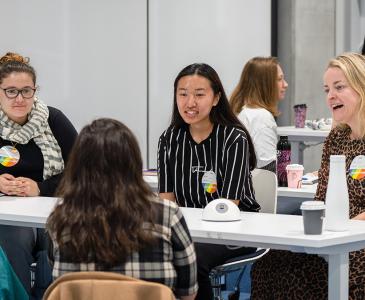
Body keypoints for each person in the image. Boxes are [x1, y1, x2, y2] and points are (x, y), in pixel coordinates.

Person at [251, 52, 365, 299]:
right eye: (326, 89)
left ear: (361, 86)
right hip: (333, 237)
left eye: (339, 87)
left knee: (298, 274)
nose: (330, 96)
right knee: (269, 263)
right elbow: (322, 195)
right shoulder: (337, 138)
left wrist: (342, 230)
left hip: (358, 244)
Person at [47, 118, 198, 300]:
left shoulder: (61, 219)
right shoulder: (167, 214)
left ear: (77, 167)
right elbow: (188, 293)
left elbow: (57, 282)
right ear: (133, 163)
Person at [157, 63, 260, 299]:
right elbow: (167, 201)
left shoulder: (233, 137)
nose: (189, 102)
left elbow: (229, 205)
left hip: (234, 231)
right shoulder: (169, 139)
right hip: (187, 229)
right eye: (182, 94)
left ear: (216, 99)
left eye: (199, 94)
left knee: (192, 259)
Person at [0, 52, 77, 295]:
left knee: (58, 240)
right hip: (7, 216)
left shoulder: (53, 119)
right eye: (10, 91)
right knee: (12, 239)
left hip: (51, 208)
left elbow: (84, 170)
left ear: (35, 91)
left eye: (27, 90)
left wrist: (40, 188)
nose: (19, 98)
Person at [230, 56, 288, 172]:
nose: (285, 84)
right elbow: (268, 170)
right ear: (266, 84)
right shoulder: (261, 117)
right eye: (279, 79)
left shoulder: (244, 112)